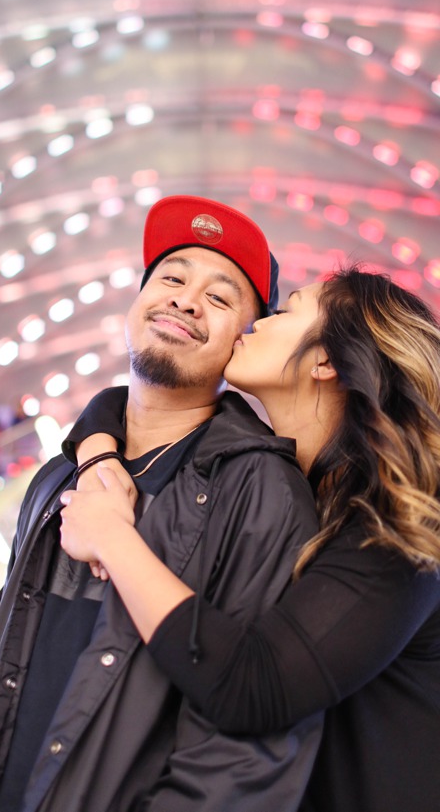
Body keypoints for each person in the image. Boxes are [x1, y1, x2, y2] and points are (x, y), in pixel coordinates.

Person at [0, 195, 323, 812]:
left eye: (220, 299)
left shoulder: (261, 492)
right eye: (171, 278)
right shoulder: (61, 476)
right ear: (136, 302)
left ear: (242, 347)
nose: (186, 300)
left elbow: (248, 752)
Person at [59, 267, 440, 812]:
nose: (257, 323)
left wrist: (115, 540)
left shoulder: (400, 530)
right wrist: (98, 444)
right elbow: (128, 405)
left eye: (284, 313)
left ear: (326, 360)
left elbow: (254, 685)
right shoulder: (292, 488)